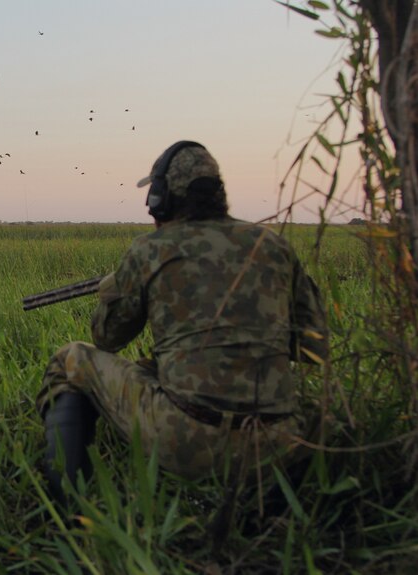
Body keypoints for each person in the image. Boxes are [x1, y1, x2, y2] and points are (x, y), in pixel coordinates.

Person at [37, 141, 328, 506]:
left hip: (186, 440)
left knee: (70, 360)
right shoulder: (274, 246)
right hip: (279, 444)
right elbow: (316, 350)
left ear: (162, 198)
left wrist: (112, 290)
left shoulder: (150, 249)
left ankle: (67, 504)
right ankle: (272, 496)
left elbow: (107, 338)